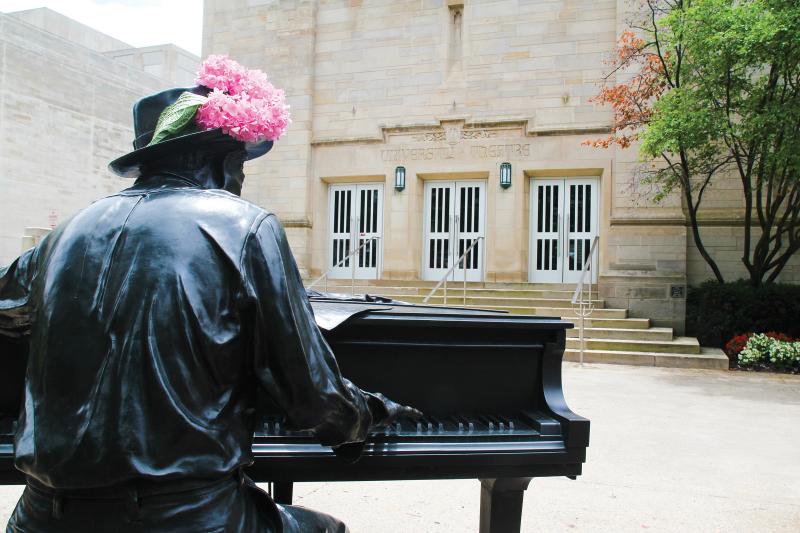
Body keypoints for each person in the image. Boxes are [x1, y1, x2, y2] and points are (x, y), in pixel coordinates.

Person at [1, 59, 419, 532]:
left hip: (39, 515)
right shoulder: (243, 224)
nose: (240, 180)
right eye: (240, 164)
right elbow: (313, 400)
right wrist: (368, 415)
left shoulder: (64, 235)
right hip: (188, 518)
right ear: (222, 162)